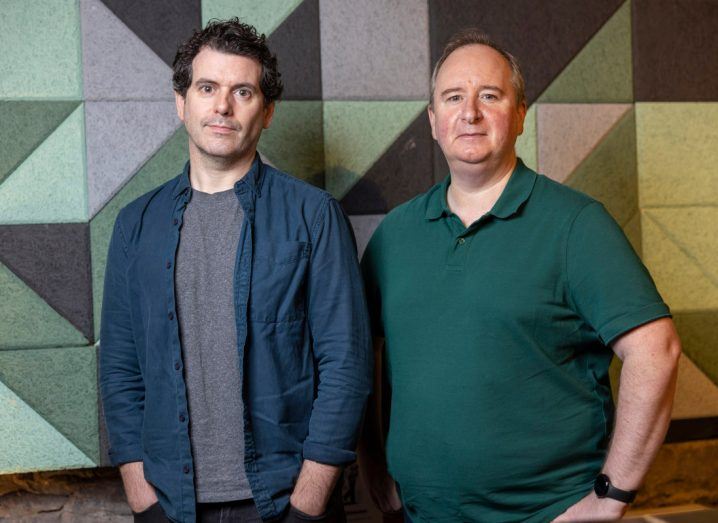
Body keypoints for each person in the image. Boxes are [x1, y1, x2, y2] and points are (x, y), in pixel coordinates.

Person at [359, 29, 681, 523]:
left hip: (548, 513)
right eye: (453, 98)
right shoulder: (396, 235)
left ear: (520, 114)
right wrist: (374, 468)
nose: (470, 112)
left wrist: (611, 497)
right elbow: (361, 359)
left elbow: (655, 351)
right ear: (432, 121)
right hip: (423, 515)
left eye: (489, 96)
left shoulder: (576, 225)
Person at [99, 19, 371, 523]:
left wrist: (307, 506)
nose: (222, 106)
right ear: (181, 102)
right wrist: (143, 500)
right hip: (172, 505)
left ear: (266, 112)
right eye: (207, 88)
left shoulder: (314, 216)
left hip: (284, 501)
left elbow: (346, 366)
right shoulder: (135, 224)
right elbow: (120, 370)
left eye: (242, 91)